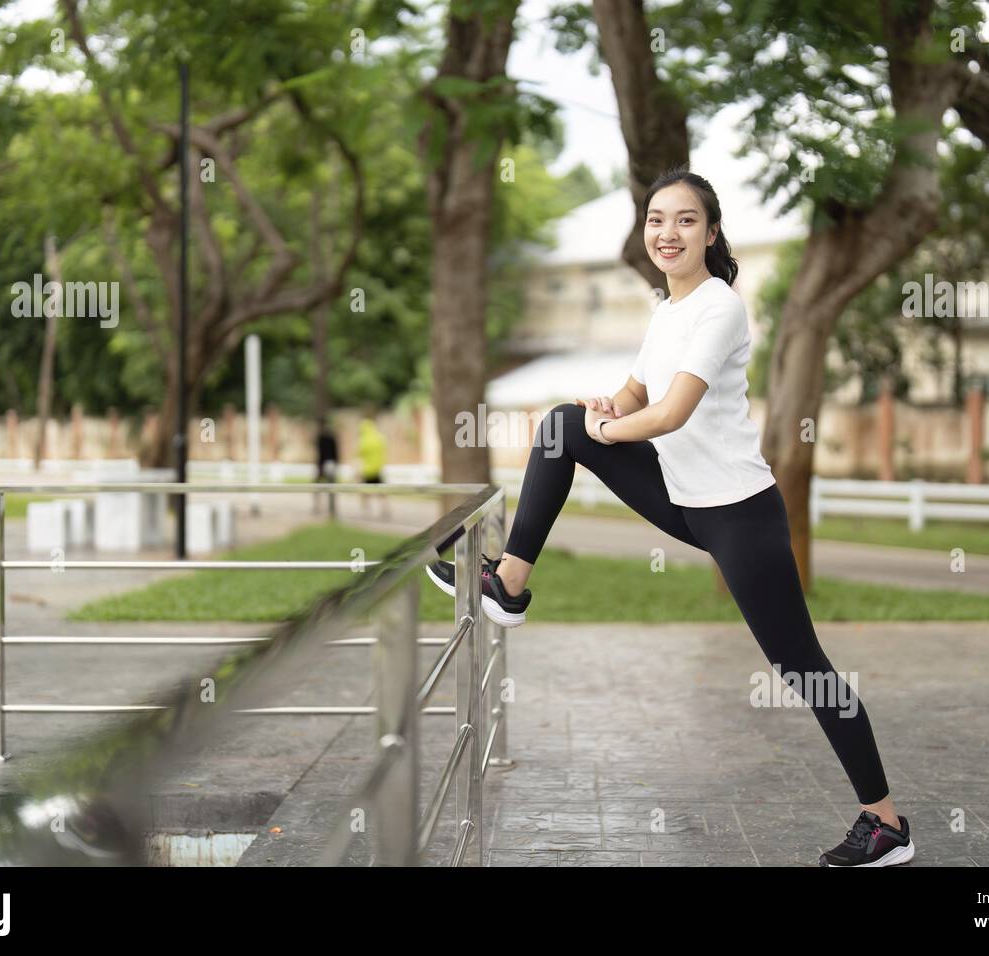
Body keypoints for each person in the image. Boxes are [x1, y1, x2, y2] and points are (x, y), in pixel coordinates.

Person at [424, 164, 913, 868]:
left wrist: (609, 431)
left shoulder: (719, 305)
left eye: (684, 219)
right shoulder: (667, 310)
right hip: (682, 497)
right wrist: (605, 412)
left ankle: (885, 821)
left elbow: (674, 411)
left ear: (711, 233)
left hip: (740, 514)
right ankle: (509, 583)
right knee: (564, 426)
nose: (667, 232)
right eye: (656, 219)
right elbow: (635, 393)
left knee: (801, 667)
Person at [357, 416, 390, 520]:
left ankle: (366, 510)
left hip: (367, 470)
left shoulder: (363, 440)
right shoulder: (380, 438)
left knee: (365, 491)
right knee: (381, 491)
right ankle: (385, 508)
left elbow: (359, 454)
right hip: (378, 469)